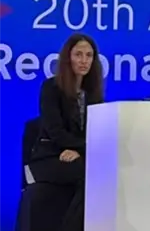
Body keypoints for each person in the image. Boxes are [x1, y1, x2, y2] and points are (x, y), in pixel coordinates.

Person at [29, 33, 105, 231]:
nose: (84, 61)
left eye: (89, 56)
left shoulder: (93, 93)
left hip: (78, 156)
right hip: (50, 156)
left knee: (102, 173)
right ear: (67, 57)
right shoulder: (51, 88)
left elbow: (97, 131)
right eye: (78, 54)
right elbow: (56, 131)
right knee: (88, 175)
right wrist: (83, 147)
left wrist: (80, 151)